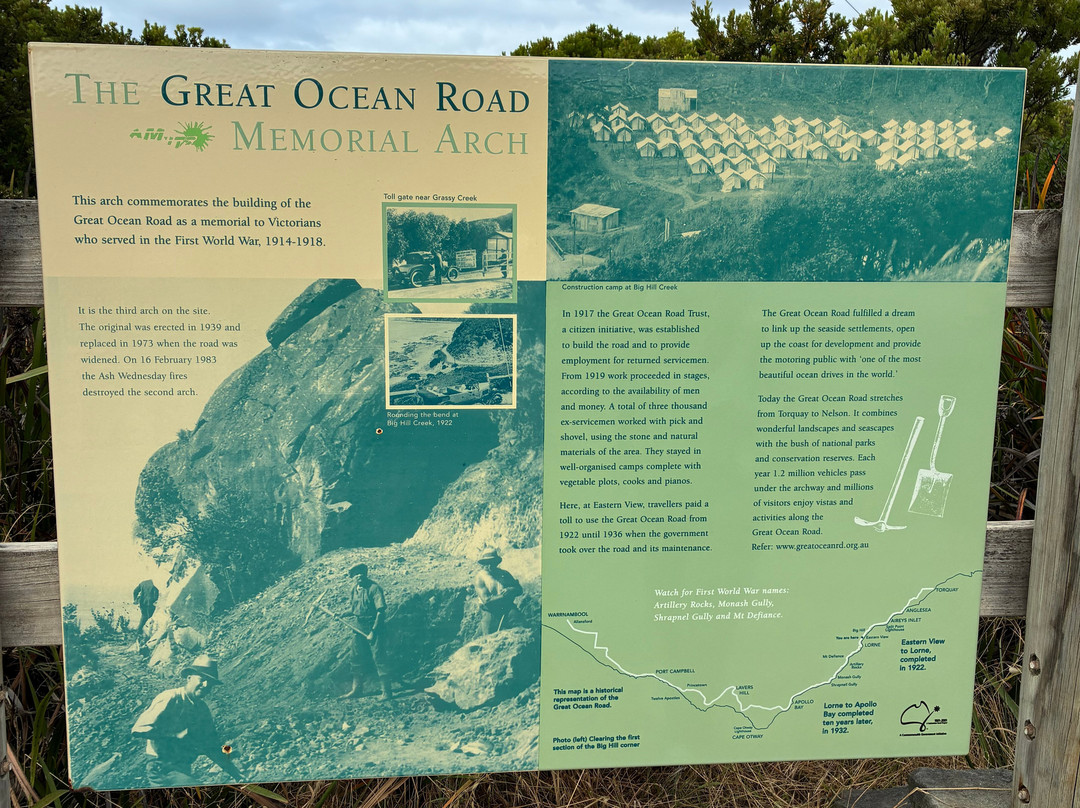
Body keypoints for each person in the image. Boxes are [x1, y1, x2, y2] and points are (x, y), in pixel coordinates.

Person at [131, 655, 241, 786]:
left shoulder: (202, 709)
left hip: (183, 768)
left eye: (210, 683)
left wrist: (235, 773)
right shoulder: (170, 698)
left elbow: (211, 746)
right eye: (202, 679)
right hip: (162, 767)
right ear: (189, 678)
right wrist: (174, 736)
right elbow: (138, 729)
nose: (206, 685)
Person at [340, 563, 392, 700]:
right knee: (356, 657)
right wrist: (342, 614)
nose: (360, 575)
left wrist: (373, 632)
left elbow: (380, 612)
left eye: (362, 572)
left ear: (366, 573)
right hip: (358, 626)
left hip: (374, 625)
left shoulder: (374, 588)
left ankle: (387, 691)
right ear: (352, 577)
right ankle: (357, 689)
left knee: (379, 657)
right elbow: (354, 609)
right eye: (356, 573)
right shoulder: (354, 590)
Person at [474, 548, 523, 635]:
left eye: (492, 562)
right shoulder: (480, 577)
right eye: (487, 563)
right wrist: (504, 595)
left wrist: (511, 589)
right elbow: (486, 600)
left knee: (520, 627)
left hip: (507, 607)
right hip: (490, 610)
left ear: (496, 562)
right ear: (483, 563)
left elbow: (519, 590)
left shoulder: (504, 574)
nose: (489, 566)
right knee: (488, 636)